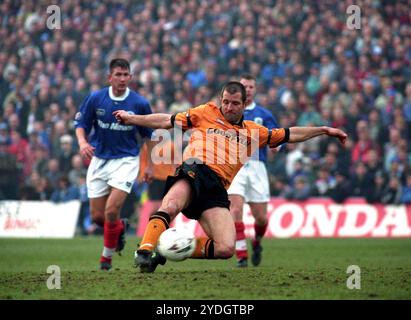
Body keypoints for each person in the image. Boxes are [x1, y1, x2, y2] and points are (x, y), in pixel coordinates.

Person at [113, 81, 347, 273]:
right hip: (194, 169)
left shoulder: (253, 132)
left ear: (245, 104)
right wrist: (132, 118)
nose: (229, 107)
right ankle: (144, 251)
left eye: (235, 103)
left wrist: (323, 130)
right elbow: (166, 120)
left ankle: (165, 250)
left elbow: (289, 134)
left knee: (226, 248)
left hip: (216, 189)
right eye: (225, 101)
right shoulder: (205, 112)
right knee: (171, 204)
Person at [74, 58, 154, 271]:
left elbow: (149, 137)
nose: (121, 79)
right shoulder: (96, 98)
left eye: (125, 75)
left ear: (130, 77)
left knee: (111, 211)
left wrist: (149, 165)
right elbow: (81, 124)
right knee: (98, 217)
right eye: (117, 75)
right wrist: (82, 142)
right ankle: (120, 228)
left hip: (126, 161)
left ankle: (105, 260)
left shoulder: (139, 103)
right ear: (109, 77)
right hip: (99, 160)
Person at [227, 74, 281, 268]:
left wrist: (276, 145)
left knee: (260, 218)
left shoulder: (264, 114)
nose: (247, 89)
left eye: (250, 87)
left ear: (255, 90)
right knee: (236, 209)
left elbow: (276, 136)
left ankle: (257, 242)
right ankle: (241, 255)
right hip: (235, 167)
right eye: (244, 86)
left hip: (257, 167)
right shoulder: (228, 112)